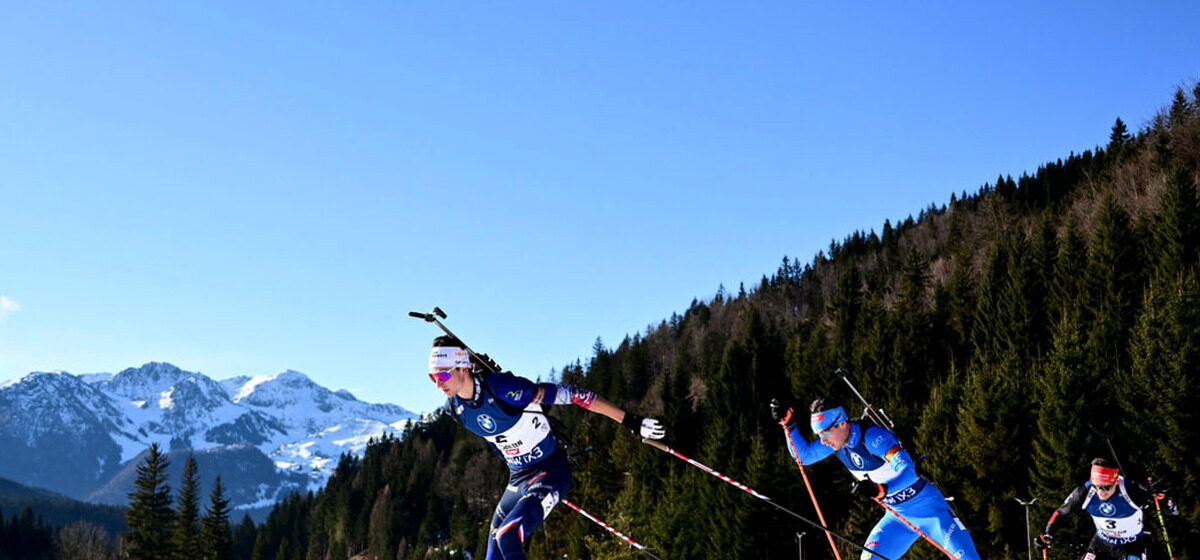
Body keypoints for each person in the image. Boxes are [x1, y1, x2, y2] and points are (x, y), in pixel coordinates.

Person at [428, 335, 666, 560]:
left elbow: (576, 395)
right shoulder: (455, 410)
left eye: (443, 376)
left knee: (507, 536)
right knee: (493, 552)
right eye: (433, 377)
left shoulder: (505, 389)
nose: (438, 385)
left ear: (463, 367)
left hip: (551, 472)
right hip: (519, 479)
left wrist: (632, 421)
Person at [771, 396, 981, 560]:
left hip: (931, 511)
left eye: (825, 434)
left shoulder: (871, 437)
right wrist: (788, 425)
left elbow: (908, 469)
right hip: (898, 517)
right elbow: (805, 456)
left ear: (842, 423)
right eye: (819, 436)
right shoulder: (838, 444)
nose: (823, 441)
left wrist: (882, 490)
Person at [1034, 457, 1178, 560]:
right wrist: (1048, 535)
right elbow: (1061, 512)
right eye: (1097, 486)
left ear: (1116, 480)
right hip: (1101, 544)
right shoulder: (1084, 493)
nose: (1101, 492)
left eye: (1106, 487)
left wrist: (1162, 496)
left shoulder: (1132, 491)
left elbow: (1173, 510)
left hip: (1133, 544)